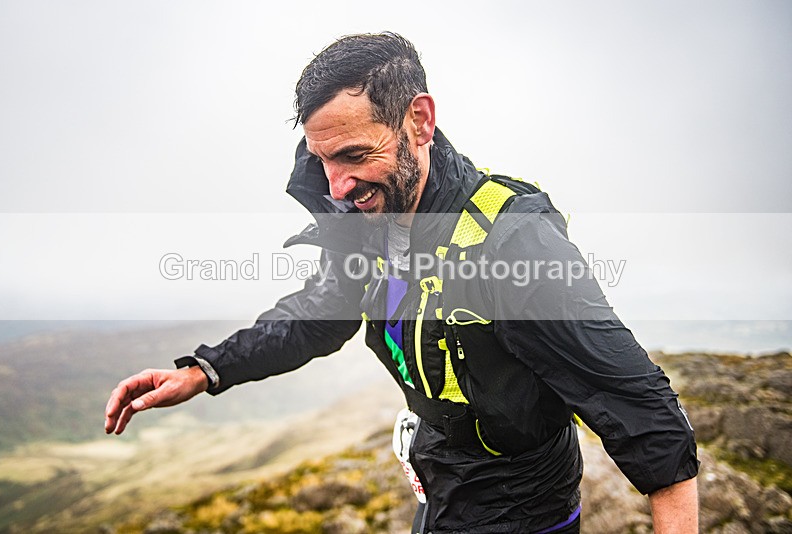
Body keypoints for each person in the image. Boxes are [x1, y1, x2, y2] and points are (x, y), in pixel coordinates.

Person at [105, 32, 699, 533]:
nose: (338, 186)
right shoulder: (369, 219)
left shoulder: (513, 242)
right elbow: (324, 309)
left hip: (522, 513)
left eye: (355, 156)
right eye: (323, 162)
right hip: (438, 490)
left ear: (419, 120)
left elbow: (642, 411)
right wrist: (205, 370)